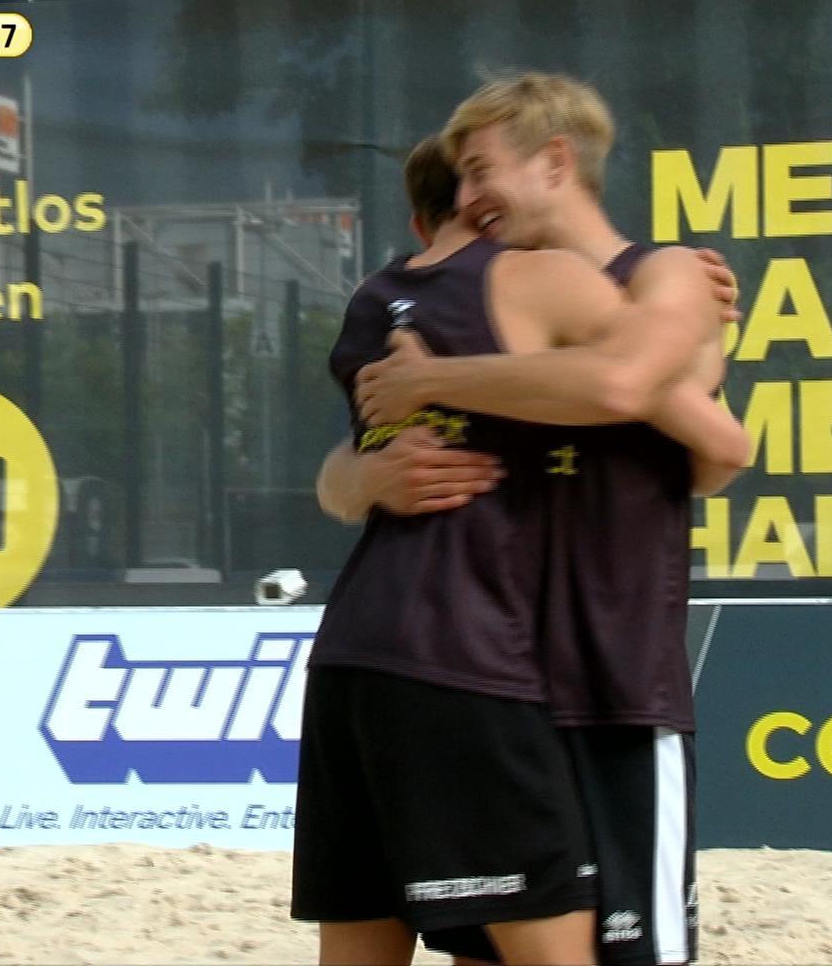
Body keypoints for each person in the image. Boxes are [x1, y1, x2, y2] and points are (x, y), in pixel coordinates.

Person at [292, 138, 741, 966]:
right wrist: (695, 331)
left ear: (416, 221)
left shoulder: (375, 300)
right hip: (481, 657)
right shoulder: (548, 278)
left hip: (354, 653)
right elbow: (716, 443)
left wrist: (355, 475)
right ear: (487, 204)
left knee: (383, 946)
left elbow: (347, 470)